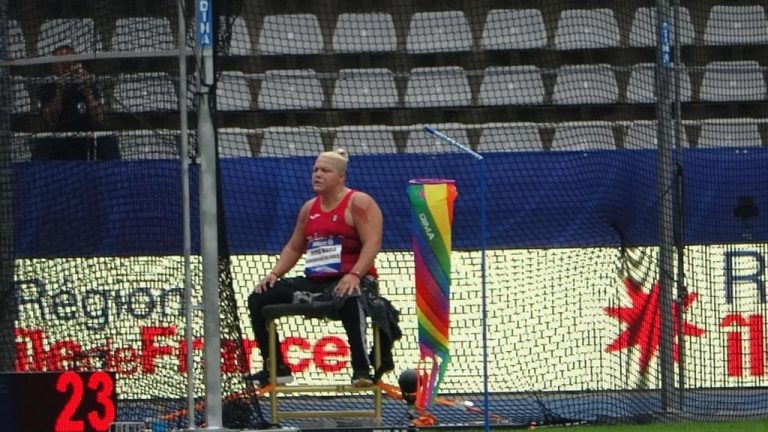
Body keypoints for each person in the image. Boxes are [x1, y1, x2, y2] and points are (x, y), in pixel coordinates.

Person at [247, 148, 387, 387]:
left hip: (352, 278)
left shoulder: (359, 202)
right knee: (259, 297)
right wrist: (273, 274)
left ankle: (362, 369)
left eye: (325, 170)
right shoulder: (309, 208)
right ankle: (276, 368)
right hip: (317, 281)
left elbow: (373, 242)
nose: (317, 175)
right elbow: (294, 247)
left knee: (351, 295)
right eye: (315, 170)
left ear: (340, 176)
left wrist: (355, 274)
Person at [33, 44, 119, 160]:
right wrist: (60, 90)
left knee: (108, 140)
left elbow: (99, 117)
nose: (68, 66)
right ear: (54, 67)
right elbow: (51, 120)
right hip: (58, 143)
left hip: (84, 141)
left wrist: (86, 89)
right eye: (62, 62)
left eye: (71, 62)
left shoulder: (86, 83)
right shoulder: (48, 85)